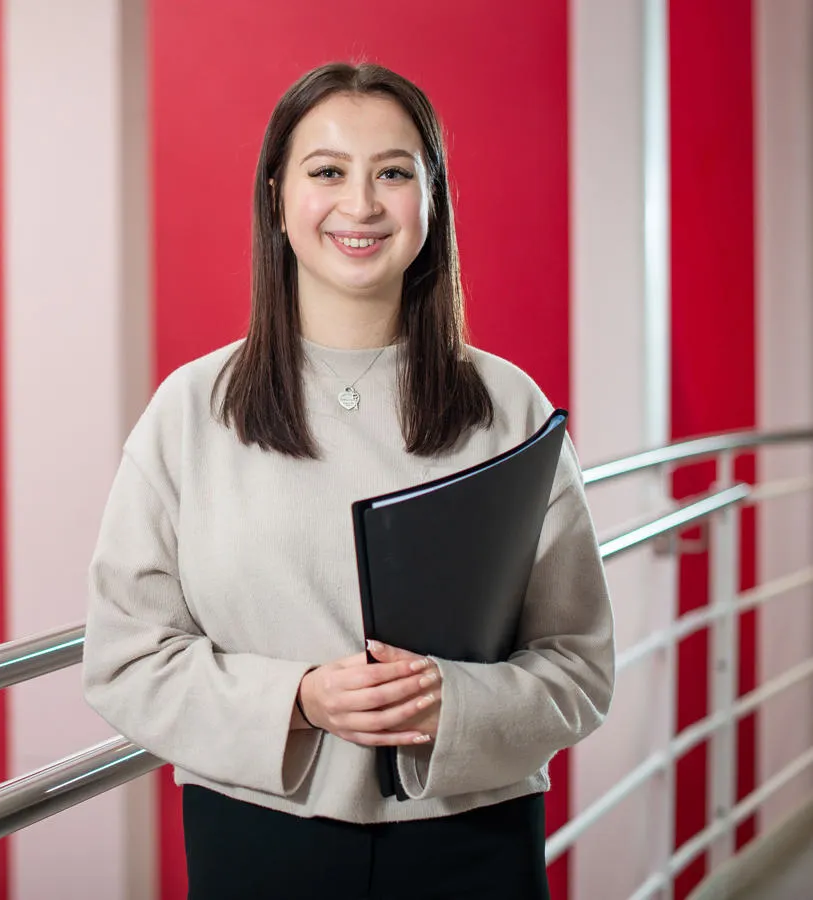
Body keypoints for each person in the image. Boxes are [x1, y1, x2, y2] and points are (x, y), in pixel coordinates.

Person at [81, 61, 614, 900]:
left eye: (393, 173)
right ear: (276, 199)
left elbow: (577, 667)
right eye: (326, 171)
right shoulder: (190, 409)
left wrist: (455, 701)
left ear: (430, 202)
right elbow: (123, 658)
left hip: (472, 842)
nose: (360, 205)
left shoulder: (508, 407)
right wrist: (297, 699)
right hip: (256, 841)